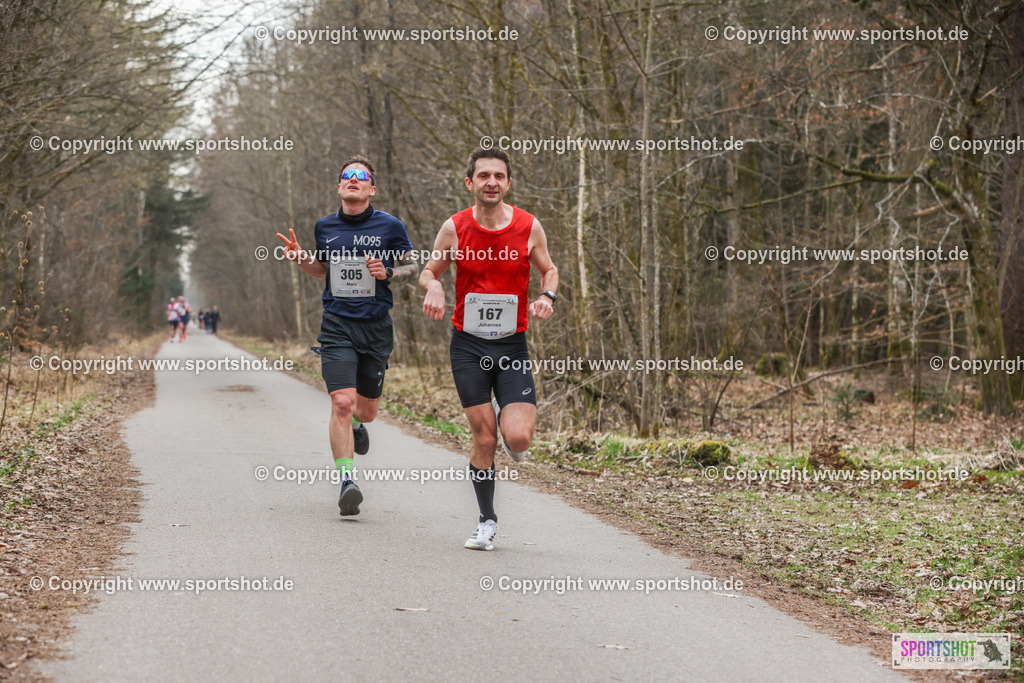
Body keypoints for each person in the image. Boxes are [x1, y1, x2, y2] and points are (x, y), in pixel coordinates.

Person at [419, 147, 558, 551]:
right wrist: (435, 286)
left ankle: (508, 416)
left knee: (518, 440)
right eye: (484, 176)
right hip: (467, 346)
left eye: (499, 176)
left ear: (508, 183)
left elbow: (549, 268)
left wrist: (548, 296)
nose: (492, 182)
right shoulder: (455, 227)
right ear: (471, 183)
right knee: (484, 440)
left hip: (512, 346)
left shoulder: (529, 227)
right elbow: (429, 269)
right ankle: (487, 521)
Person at [276, 155, 416, 516]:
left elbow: (413, 267)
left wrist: (387, 273)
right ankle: (346, 481)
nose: (353, 180)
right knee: (341, 401)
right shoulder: (325, 227)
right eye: (346, 176)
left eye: (361, 176)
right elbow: (322, 270)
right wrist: (301, 258)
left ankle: (357, 424)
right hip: (337, 325)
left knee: (365, 411)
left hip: (376, 327)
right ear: (339, 186)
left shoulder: (390, 225)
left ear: (372, 188)